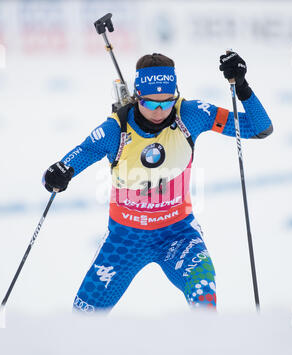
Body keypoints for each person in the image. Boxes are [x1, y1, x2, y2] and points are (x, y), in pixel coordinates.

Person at [43, 52, 273, 313]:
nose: (160, 111)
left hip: (178, 235)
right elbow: (75, 158)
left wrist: (241, 86)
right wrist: (60, 173)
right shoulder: (115, 129)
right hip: (125, 241)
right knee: (82, 318)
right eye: (151, 104)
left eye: (167, 102)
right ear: (137, 97)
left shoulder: (190, 114)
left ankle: (208, 350)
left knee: (204, 296)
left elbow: (259, 128)